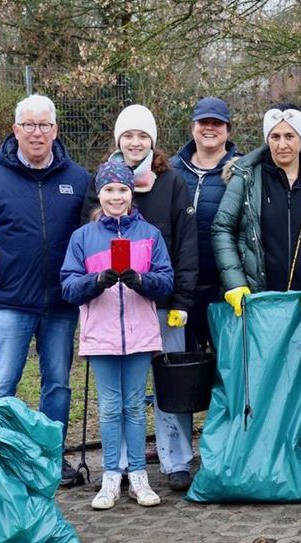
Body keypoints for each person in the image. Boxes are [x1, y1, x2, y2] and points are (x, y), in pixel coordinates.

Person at [0, 94, 90, 487]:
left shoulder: (78, 180)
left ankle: (51, 458)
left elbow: (93, 238)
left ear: (56, 130)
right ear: (15, 130)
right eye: (28, 125)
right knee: (1, 383)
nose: (37, 133)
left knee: (58, 383)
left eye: (44, 125)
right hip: (10, 301)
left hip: (62, 302)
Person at [83, 104, 199, 491]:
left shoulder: (172, 182)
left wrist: (182, 301)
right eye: (128, 135)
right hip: (113, 309)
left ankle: (176, 458)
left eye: (143, 135)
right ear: (118, 139)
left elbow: (186, 245)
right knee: (122, 394)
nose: (136, 142)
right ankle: (118, 465)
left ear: (153, 140)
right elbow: (87, 244)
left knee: (169, 383)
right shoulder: (99, 183)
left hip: (163, 303)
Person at [62, 160, 173, 510]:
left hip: (139, 335)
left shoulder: (149, 235)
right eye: (109, 189)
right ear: (99, 193)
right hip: (102, 336)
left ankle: (138, 474)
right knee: (110, 408)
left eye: (122, 189)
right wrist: (95, 283)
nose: (116, 196)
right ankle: (111, 475)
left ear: (132, 192)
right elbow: (67, 285)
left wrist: (142, 281)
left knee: (135, 408)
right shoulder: (83, 237)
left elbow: (166, 280)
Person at [211, 104, 301, 312]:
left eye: (289, 136)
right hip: (258, 299)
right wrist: (235, 282)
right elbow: (222, 228)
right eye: (275, 137)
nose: (282, 145)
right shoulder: (247, 177)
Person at [169, 97, 241, 352]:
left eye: (217, 123)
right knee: (184, 363)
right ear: (192, 128)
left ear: (228, 130)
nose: (209, 128)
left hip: (222, 287)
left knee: (224, 364)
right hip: (181, 288)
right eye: (203, 122)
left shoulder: (241, 171)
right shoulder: (170, 169)